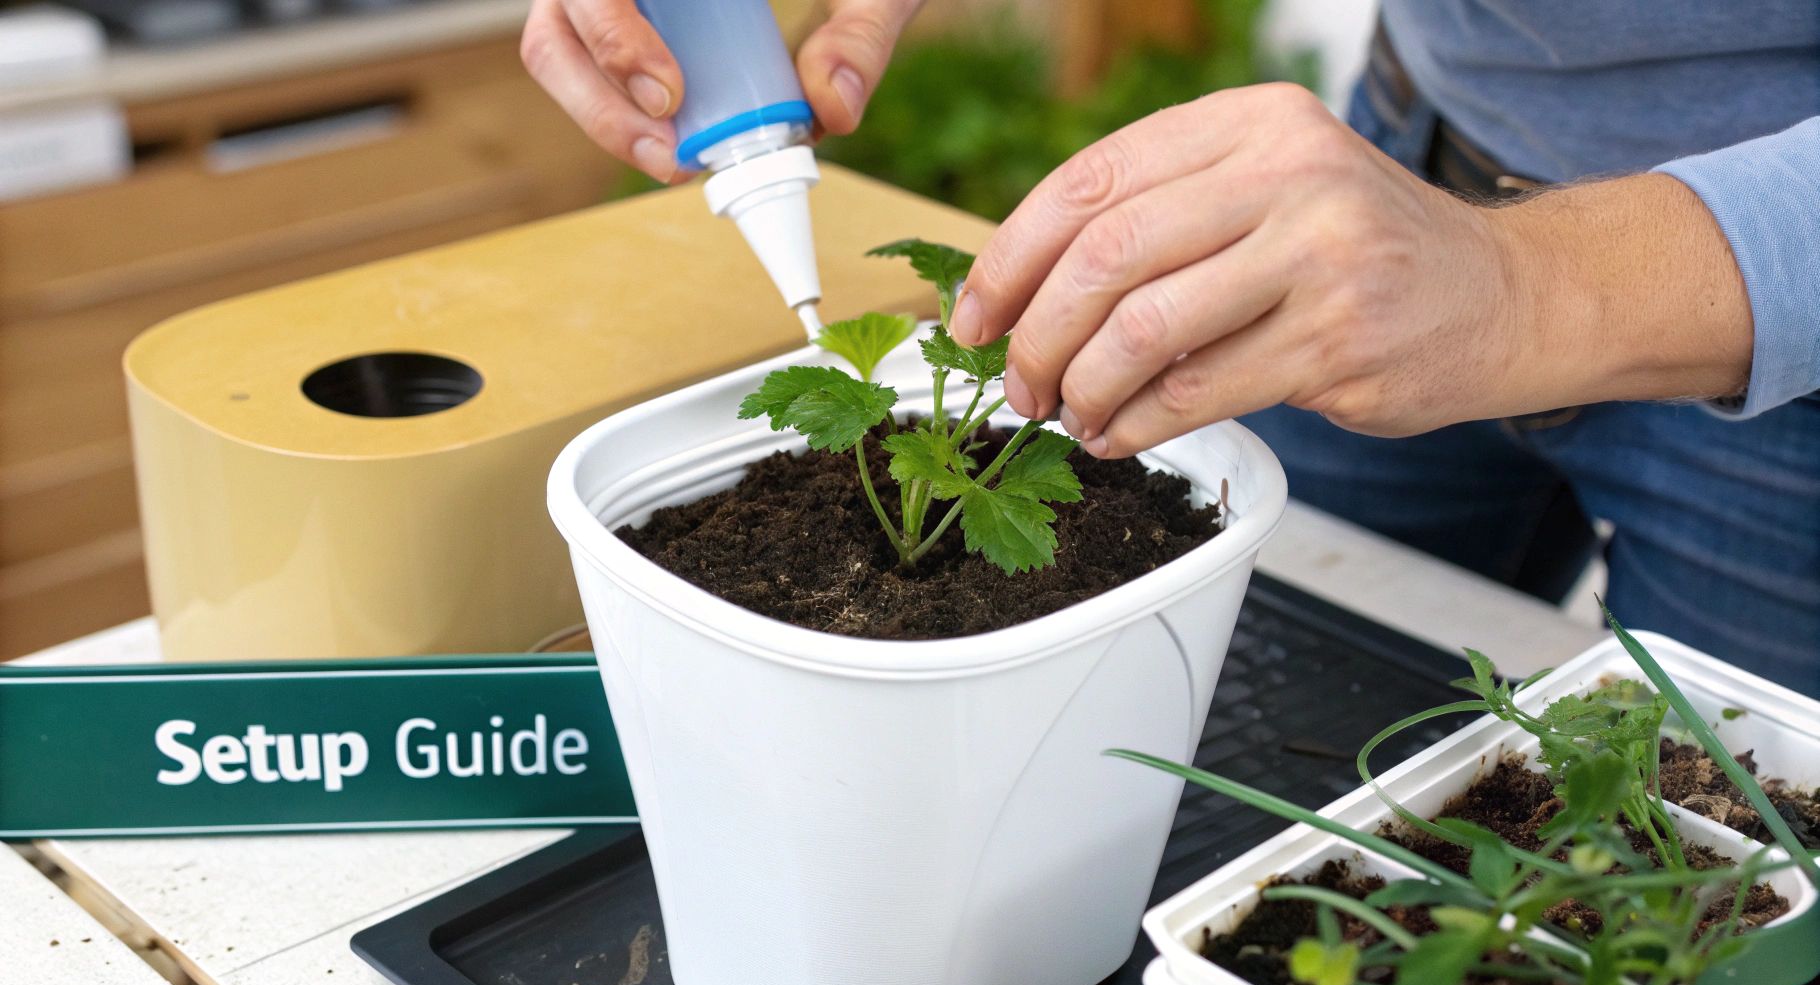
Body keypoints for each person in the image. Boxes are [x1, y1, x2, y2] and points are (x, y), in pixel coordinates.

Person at [520, 0, 1820, 692]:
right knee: (1269, 718)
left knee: (1720, 880)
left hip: (1782, 323)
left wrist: (1520, 287)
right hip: (1415, 154)